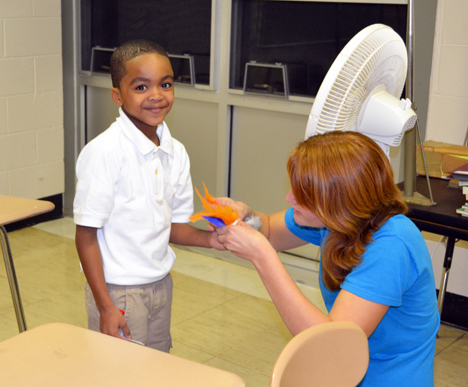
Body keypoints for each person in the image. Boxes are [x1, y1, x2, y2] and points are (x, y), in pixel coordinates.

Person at [215, 131, 440, 386]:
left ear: (338, 198)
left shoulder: (392, 245)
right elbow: (268, 229)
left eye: (302, 192)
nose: (289, 197)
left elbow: (332, 347)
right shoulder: (336, 220)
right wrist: (247, 219)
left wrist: (262, 256)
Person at [74, 40, 222, 352]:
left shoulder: (175, 151)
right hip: (116, 291)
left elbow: (172, 227)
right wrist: (106, 307)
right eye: (141, 87)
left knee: (157, 364)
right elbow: (86, 235)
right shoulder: (104, 152)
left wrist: (213, 239)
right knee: (117, 372)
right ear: (117, 95)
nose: (156, 95)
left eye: (165, 84)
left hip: (160, 284)